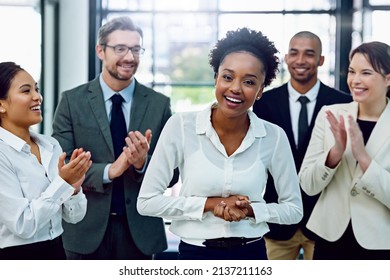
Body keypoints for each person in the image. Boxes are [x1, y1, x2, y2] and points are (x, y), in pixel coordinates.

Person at [137, 27, 303, 260]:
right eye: (227, 77)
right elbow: (147, 202)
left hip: (251, 255)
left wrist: (252, 210)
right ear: (216, 78)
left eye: (248, 81)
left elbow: (294, 210)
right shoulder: (182, 127)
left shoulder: (273, 137)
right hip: (195, 255)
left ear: (260, 91)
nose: (235, 88)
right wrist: (210, 204)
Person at [52, 17, 175, 259]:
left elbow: (174, 174)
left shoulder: (159, 105)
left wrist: (142, 164)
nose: (129, 57)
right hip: (84, 231)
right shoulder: (71, 101)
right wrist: (111, 169)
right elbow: (61, 167)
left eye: (135, 49)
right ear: (100, 50)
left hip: (139, 234)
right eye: (120, 48)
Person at [252, 31, 352, 260]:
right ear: (286, 58)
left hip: (324, 221)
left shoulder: (343, 103)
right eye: (294, 53)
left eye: (309, 54)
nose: (300, 60)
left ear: (321, 60)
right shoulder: (263, 103)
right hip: (276, 220)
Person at [299, 41, 390, 259]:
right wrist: (334, 154)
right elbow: (307, 185)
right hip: (330, 238)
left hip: (379, 243)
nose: (355, 80)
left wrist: (363, 158)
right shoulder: (330, 114)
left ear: (388, 78)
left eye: (366, 73)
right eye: (352, 71)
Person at [0, 61, 91, 260]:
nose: (37, 97)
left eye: (37, 89)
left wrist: (74, 189)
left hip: (57, 251)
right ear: (1, 104)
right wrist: (62, 183)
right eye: (26, 91)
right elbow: (23, 224)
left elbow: (74, 217)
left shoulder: (51, 146)